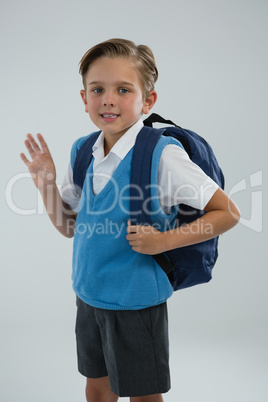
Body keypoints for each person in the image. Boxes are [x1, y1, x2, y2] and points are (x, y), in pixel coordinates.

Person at [20, 38, 240, 402]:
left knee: (142, 396)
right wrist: (45, 186)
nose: (108, 99)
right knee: (96, 387)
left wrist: (163, 241)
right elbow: (69, 226)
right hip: (88, 295)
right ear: (84, 98)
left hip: (136, 303)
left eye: (123, 89)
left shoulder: (162, 155)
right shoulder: (82, 151)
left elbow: (228, 212)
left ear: (148, 100)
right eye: (98, 89)